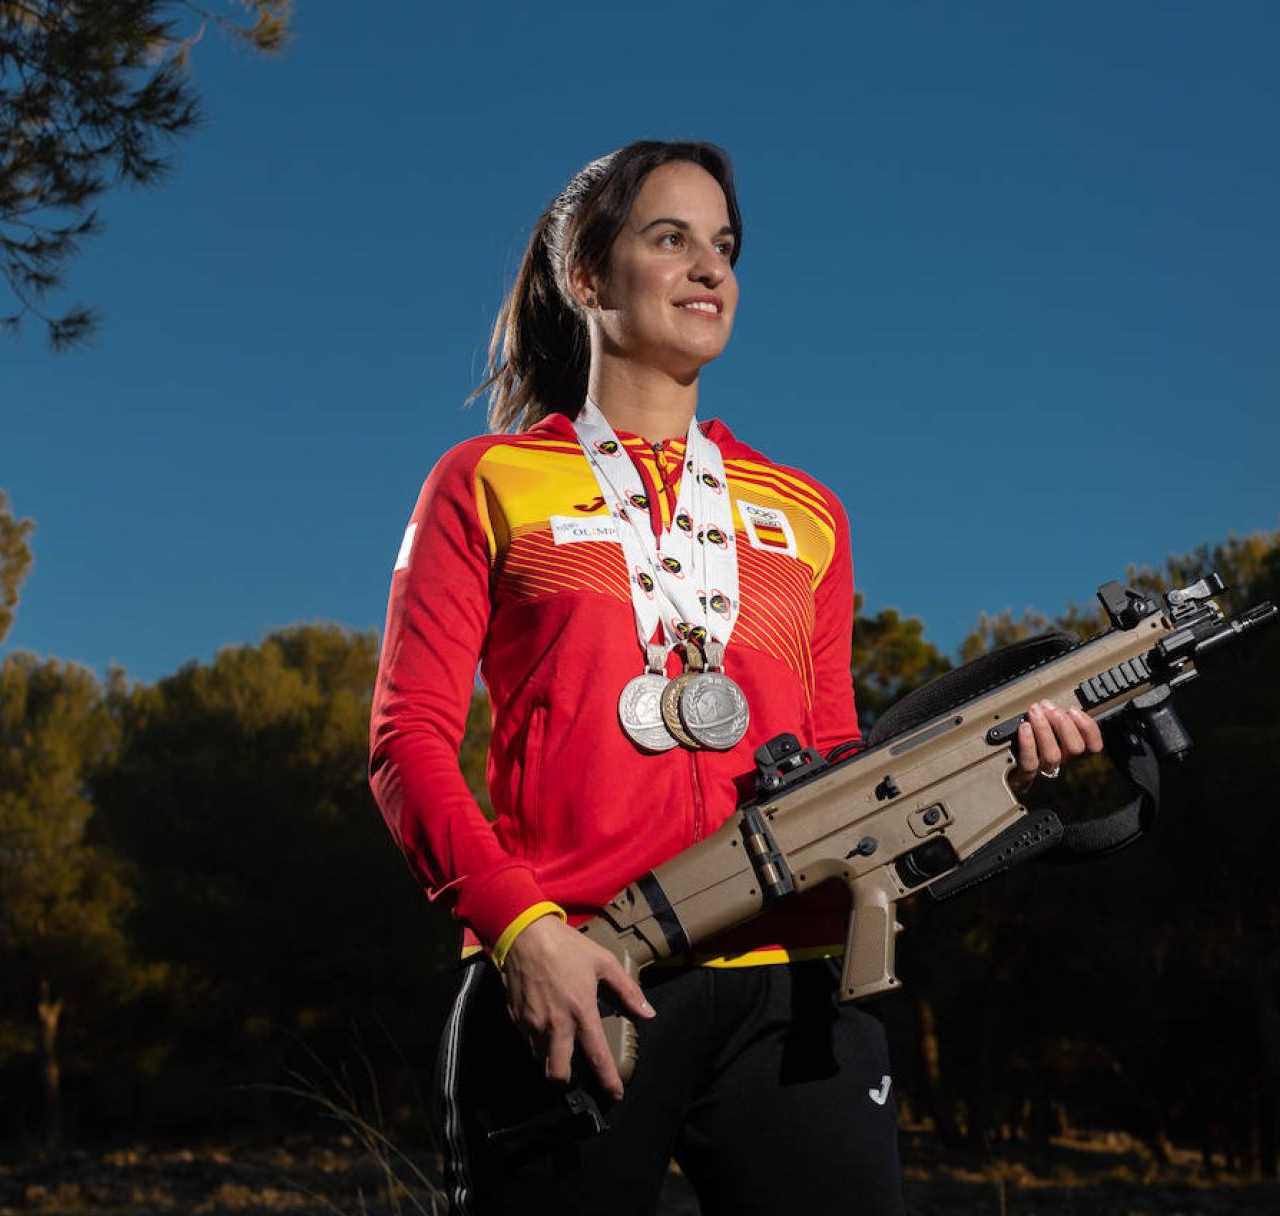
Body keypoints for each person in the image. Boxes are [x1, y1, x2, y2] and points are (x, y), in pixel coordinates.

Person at [367, 140, 1103, 1216]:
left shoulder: (808, 510)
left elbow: (844, 763)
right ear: (586, 277)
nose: (710, 269)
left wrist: (1005, 778)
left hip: (796, 994)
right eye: (671, 239)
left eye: (725, 247)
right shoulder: (486, 481)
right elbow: (405, 746)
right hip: (578, 973)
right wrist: (523, 935)